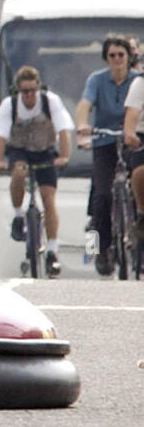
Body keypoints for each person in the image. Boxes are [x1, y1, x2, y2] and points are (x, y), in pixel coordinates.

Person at [0, 65, 73, 276]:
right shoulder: (9, 106)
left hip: (44, 151)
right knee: (18, 172)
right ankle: (19, 215)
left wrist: (64, 156)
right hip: (20, 151)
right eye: (24, 92)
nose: (29, 96)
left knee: (48, 198)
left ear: (38, 88)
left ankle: (52, 251)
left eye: (32, 91)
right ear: (18, 90)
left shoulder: (50, 101)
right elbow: (0, 136)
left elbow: (63, 131)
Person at [74, 34, 139, 275]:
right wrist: (82, 127)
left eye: (121, 55)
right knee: (102, 195)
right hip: (104, 142)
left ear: (128, 57)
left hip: (132, 141)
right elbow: (84, 106)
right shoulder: (96, 80)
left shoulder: (138, 81)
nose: (117, 60)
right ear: (106, 58)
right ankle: (100, 249)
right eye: (111, 56)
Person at [120, 73, 144, 240]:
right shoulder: (140, 83)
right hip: (142, 135)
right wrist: (129, 133)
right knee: (139, 172)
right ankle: (142, 214)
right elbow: (132, 114)